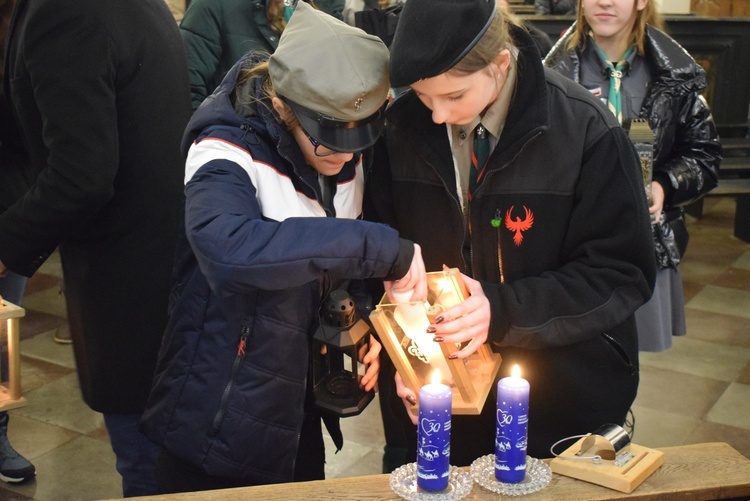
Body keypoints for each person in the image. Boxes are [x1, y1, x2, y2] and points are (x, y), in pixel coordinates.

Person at [140, 2, 426, 493]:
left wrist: (356, 321)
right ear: (284, 105)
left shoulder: (346, 158)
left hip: (295, 417)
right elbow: (228, 250)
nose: (344, 157)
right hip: (216, 420)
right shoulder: (225, 147)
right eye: (327, 141)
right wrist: (381, 248)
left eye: (356, 143)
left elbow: (337, 270)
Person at [365, 0, 656, 468]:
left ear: (501, 65)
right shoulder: (401, 128)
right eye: (423, 96)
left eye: (455, 96)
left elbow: (620, 273)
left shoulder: (586, 131)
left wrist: (500, 310)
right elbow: (383, 256)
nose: (438, 116)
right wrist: (407, 358)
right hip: (444, 400)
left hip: (560, 396)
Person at [0, 0, 192, 495]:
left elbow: (80, 175)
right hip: (162, 263)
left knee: (146, 459)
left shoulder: (64, 13)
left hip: (128, 277)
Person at [544, 0, 721, 352]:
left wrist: (665, 185)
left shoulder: (676, 74)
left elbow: (704, 154)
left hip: (645, 241)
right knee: (577, 352)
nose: (605, 2)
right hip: (571, 242)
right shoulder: (551, 72)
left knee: (631, 358)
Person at [180, 0, 344, 111]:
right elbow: (186, 93)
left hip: (315, 153)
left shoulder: (326, 6)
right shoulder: (213, 6)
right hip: (240, 151)